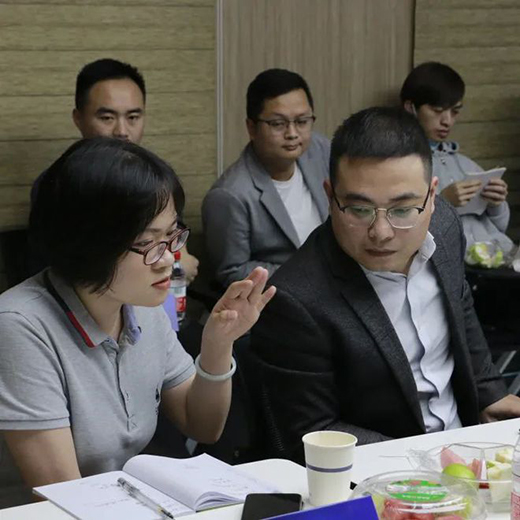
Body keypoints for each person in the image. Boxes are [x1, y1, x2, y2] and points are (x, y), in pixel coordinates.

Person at [0, 137, 275, 508]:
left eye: (172, 235)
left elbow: (202, 426)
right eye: (148, 243)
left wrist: (218, 344)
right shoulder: (19, 326)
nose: (169, 259)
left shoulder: (141, 303)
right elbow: (63, 496)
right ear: (89, 243)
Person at [250, 107, 520, 463]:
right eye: (359, 210)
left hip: (466, 448)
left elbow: (461, 309)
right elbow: (311, 433)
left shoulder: (444, 226)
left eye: (403, 210)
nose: (381, 232)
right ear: (330, 196)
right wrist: (424, 461)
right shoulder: (296, 299)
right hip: (380, 470)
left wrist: (490, 392)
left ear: (432, 196)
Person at [29, 58, 199, 283]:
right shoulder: (60, 184)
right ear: (78, 118)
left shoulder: (155, 178)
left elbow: (180, 253)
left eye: (133, 117)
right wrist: (176, 264)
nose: (122, 131)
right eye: (107, 118)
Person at [202, 68, 330, 288]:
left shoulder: (319, 149)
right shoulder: (229, 196)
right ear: (252, 128)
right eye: (278, 124)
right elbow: (232, 272)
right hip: (285, 296)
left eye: (302, 121)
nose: (292, 133)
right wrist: (307, 274)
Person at [401, 61, 513, 255]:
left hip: (501, 254)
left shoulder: (466, 164)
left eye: (455, 111)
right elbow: (402, 233)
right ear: (411, 107)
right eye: (437, 110)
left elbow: (501, 226)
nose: (447, 121)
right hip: (459, 263)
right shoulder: (400, 166)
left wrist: (496, 204)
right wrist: (443, 203)